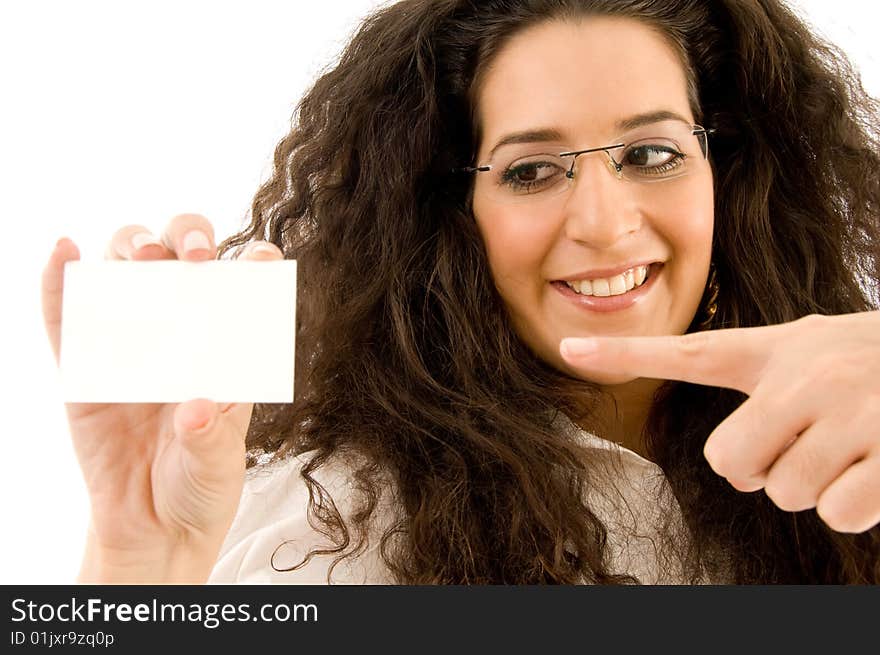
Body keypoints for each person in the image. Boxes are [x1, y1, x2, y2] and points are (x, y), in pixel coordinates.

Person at [41, 0, 880, 584]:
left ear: (726, 173)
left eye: (651, 154)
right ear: (451, 214)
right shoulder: (336, 526)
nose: (603, 221)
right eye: (530, 170)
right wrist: (136, 563)